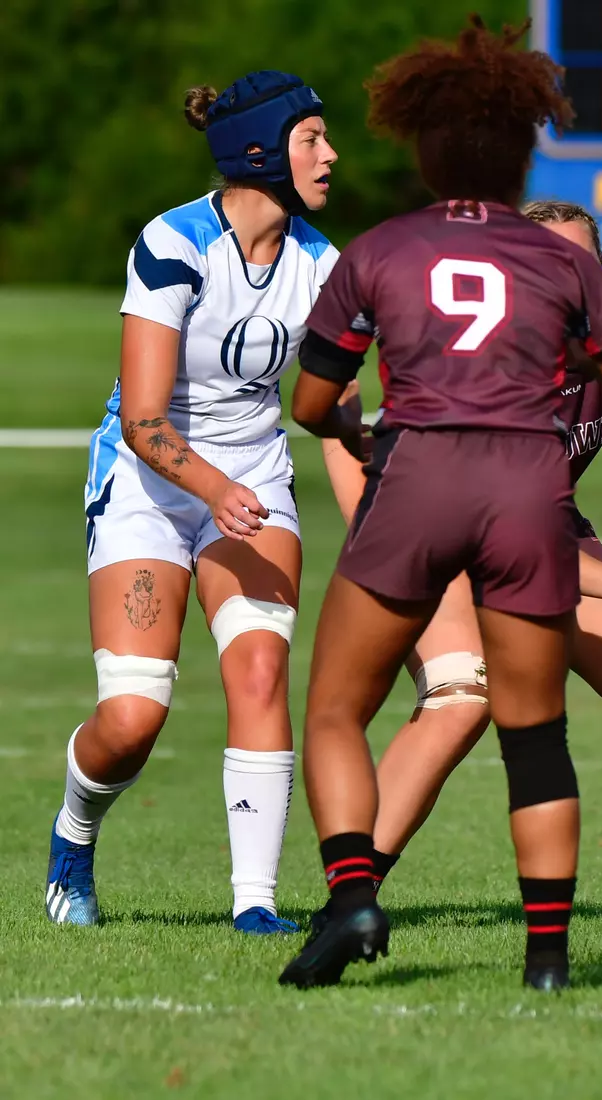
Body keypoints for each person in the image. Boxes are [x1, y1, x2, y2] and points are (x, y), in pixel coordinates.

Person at [276, 18, 602, 993]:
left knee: (334, 707)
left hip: (418, 473)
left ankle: (354, 891)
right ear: (519, 149)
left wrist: (366, 420)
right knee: (534, 728)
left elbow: (312, 405)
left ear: (422, 145)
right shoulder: (565, 260)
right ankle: (546, 958)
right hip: (530, 482)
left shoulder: (376, 249)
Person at [315, 200, 602, 930]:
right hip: (432, 530)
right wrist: (375, 537)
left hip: (543, 533)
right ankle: (350, 901)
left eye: (581, 262)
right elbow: (342, 428)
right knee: (460, 695)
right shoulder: (480, 349)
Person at [48, 72, 338, 934]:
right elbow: (142, 420)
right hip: (150, 482)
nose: (332, 155)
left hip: (253, 481)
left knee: (258, 670)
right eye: (312, 138)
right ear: (258, 151)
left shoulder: (322, 264)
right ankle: (74, 833)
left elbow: (335, 401)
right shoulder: (174, 243)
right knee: (133, 717)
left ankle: (255, 906)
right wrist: (216, 489)